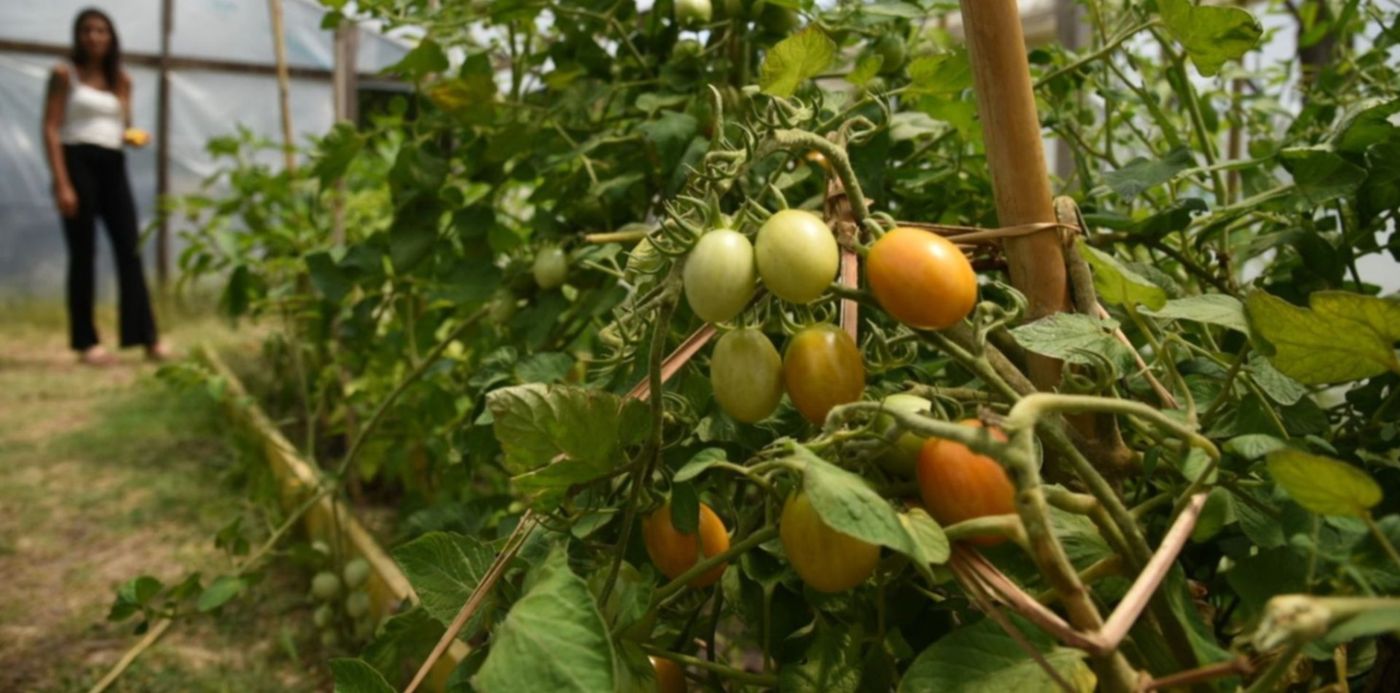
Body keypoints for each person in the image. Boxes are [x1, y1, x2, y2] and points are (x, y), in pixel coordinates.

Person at [42, 7, 169, 365]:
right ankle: (87, 342)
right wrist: (61, 182)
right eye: (87, 30)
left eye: (101, 31)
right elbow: (51, 127)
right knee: (83, 253)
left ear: (111, 37)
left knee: (130, 247)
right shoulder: (64, 74)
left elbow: (122, 126)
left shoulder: (122, 80)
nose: (94, 37)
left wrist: (136, 136)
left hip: (113, 164)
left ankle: (146, 337)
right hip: (76, 160)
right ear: (78, 36)